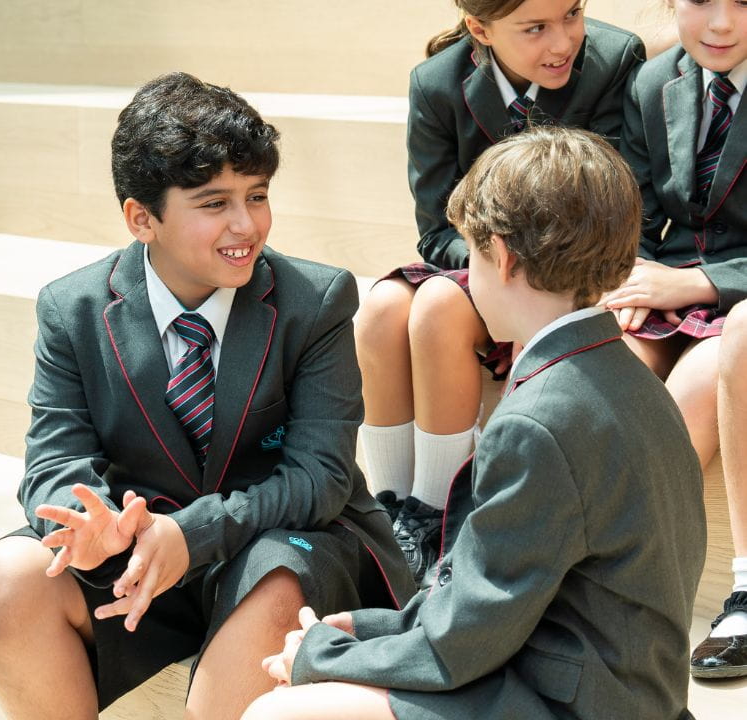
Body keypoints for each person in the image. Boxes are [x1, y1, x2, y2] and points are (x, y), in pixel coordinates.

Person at [0, 72, 415, 720]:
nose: (246, 224)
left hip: (281, 541)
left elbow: (319, 478)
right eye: (214, 203)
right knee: (8, 581)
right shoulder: (73, 309)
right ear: (141, 217)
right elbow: (53, 461)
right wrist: (86, 527)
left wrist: (191, 533)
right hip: (139, 557)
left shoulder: (314, 302)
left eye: (256, 195)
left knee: (274, 581)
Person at [242, 126, 706, 720]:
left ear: (503, 255)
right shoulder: (632, 380)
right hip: (617, 688)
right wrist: (367, 626)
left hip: (574, 704)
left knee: (280, 713)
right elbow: (495, 599)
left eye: (471, 256)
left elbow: (463, 643)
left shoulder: (538, 421)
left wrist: (322, 654)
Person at [354, 0, 645, 584]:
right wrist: (493, 263)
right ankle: (389, 519)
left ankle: (441, 514)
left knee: (437, 306)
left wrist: (521, 269)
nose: (562, 42)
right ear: (479, 29)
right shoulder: (437, 84)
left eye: (572, 13)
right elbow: (437, 231)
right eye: (535, 29)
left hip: (573, 267)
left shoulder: (614, 61)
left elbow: (618, 203)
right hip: (482, 259)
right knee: (381, 308)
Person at [609, 0, 747, 679]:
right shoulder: (652, 81)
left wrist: (699, 286)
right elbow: (632, 212)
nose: (721, 25)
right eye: (699, 0)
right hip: (674, 282)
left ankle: (659, 587)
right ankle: (586, 574)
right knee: (606, 364)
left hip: (736, 296)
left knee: (695, 385)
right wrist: (627, 281)